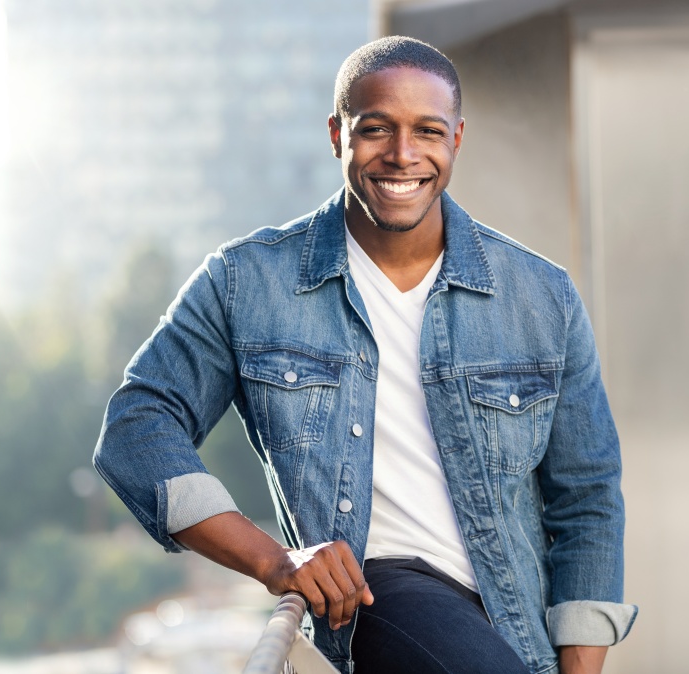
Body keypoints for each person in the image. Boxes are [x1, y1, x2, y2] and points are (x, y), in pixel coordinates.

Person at [94, 36, 636, 674]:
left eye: (427, 131)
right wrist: (273, 559)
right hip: (379, 597)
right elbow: (136, 428)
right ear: (336, 134)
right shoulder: (248, 283)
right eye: (376, 128)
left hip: (516, 639)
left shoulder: (542, 295)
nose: (403, 155)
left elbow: (588, 497)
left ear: (457, 138)